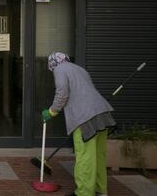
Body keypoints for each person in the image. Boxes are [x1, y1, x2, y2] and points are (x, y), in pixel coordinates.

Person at [41, 52, 116, 196]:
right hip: (102, 113)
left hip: (84, 118)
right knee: (98, 155)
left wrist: (51, 111)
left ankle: (84, 193)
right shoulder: (79, 69)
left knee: (85, 157)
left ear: (52, 63)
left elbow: (62, 93)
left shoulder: (59, 69)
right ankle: (101, 190)